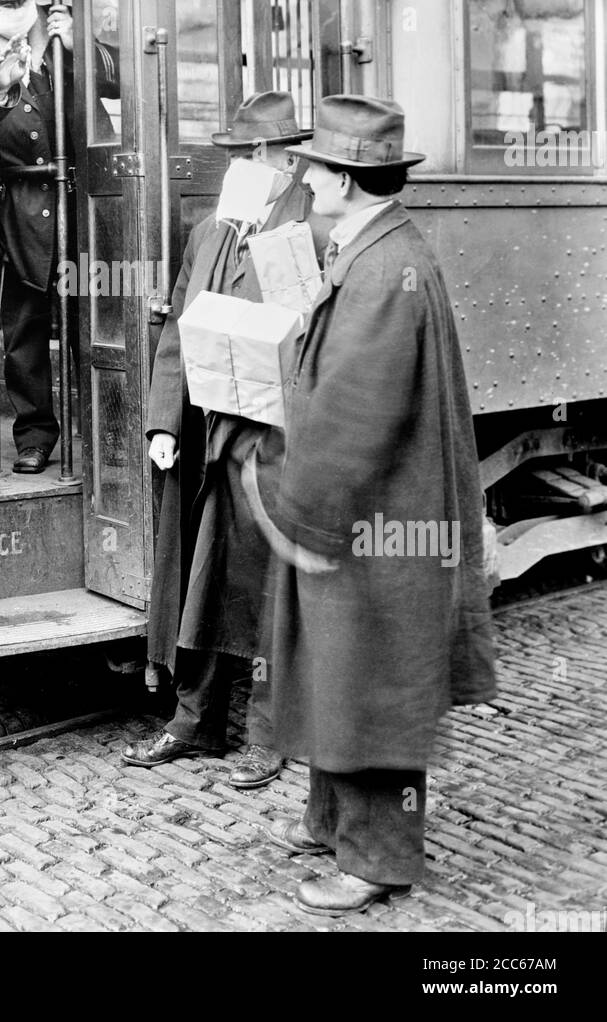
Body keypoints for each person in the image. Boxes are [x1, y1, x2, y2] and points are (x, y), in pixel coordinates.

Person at [247, 93, 497, 916]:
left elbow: (356, 412)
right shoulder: (378, 248)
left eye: (313, 164)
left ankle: (376, 861)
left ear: (346, 180)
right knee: (342, 673)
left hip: (372, 523)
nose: (303, 175)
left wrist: (301, 511)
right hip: (372, 516)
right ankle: (330, 822)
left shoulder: (384, 268)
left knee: (375, 686)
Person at [121, 91, 329, 787]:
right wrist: (160, 422)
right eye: (234, 154)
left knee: (273, 585)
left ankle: (271, 731)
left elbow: (317, 343)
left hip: (272, 440)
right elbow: (180, 327)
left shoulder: (312, 230)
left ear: (286, 159)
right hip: (205, 434)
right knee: (200, 581)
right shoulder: (212, 228)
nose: (236, 165)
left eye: (249, 154)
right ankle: (193, 720)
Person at [0, 0, 114, 473]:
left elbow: (119, 79)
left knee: (97, 325)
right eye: (7, 4)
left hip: (85, 207)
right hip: (21, 211)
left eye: (25, 2)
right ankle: (35, 436)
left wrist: (78, 46)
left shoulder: (57, 33)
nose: (20, 12)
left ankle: (106, 430)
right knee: (24, 335)